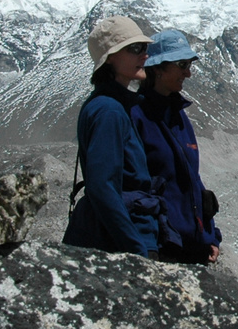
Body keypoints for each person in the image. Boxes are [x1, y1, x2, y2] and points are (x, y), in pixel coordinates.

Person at [61, 15, 169, 256]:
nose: (145, 55)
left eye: (145, 48)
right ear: (110, 58)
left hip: (117, 238)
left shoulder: (111, 105)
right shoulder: (109, 111)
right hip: (118, 243)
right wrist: (135, 249)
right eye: (135, 48)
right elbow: (103, 187)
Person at [131, 29, 223, 264]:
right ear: (158, 68)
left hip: (190, 246)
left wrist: (210, 235)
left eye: (189, 64)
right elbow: (134, 188)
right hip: (162, 248)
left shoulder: (178, 115)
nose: (188, 73)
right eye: (182, 64)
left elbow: (191, 179)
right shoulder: (136, 117)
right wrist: (148, 247)